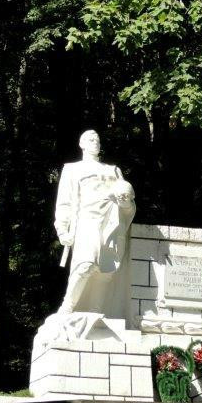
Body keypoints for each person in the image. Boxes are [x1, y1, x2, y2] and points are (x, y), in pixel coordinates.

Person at [54, 130, 136, 320]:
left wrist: (126, 203)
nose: (95, 143)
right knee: (86, 263)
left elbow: (127, 201)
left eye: (97, 140)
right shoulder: (72, 169)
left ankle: (96, 312)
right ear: (81, 144)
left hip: (111, 222)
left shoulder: (113, 170)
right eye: (91, 140)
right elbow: (64, 202)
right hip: (86, 221)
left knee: (106, 269)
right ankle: (68, 305)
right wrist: (62, 228)